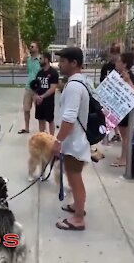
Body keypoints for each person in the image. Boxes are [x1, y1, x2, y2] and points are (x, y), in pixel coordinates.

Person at [51, 47, 91, 231]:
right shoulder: (81, 82)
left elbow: (69, 118)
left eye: (63, 61)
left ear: (74, 63)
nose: (59, 64)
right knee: (74, 177)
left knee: (75, 179)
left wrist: (57, 141)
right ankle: (77, 206)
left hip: (75, 143)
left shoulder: (74, 86)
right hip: (76, 140)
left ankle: (78, 219)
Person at [110, 52, 134, 167]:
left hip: (126, 111)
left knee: (126, 137)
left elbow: (132, 93)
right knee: (124, 136)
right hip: (121, 109)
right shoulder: (121, 74)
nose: (116, 63)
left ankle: (124, 159)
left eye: (119, 61)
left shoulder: (128, 76)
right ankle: (124, 156)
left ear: (125, 64)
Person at [30, 52, 59, 135]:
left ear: (46, 59)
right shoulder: (39, 73)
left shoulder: (53, 73)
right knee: (40, 120)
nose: (39, 61)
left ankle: (51, 138)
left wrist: (42, 97)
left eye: (41, 59)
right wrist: (35, 96)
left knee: (50, 120)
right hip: (39, 102)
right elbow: (35, 86)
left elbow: (52, 88)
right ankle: (42, 137)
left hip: (48, 102)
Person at [18, 41, 41, 134]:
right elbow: (29, 71)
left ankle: (41, 130)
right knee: (26, 109)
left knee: (39, 111)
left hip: (38, 88)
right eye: (30, 47)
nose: (31, 48)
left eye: (32, 47)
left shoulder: (41, 59)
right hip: (28, 87)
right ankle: (26, 128)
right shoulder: (29, 60)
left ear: (37, 48)